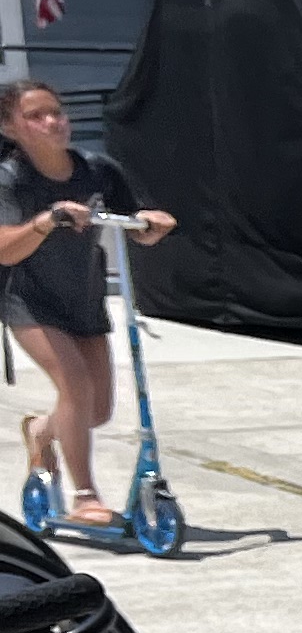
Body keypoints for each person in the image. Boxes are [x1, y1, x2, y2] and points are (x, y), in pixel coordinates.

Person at [0, 83, 176, 532]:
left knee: (95, 411)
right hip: (29, 299)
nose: (52, 122)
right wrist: (45, 221)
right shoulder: (10, 179)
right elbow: (4, 250)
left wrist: (151, 223)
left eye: (56, 112)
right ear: (9, 128)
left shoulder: (97, 170)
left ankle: (42, 431)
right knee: (74, 386)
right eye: (35, 116)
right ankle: (85, 496)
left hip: (83, 296)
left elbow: (132, 219)